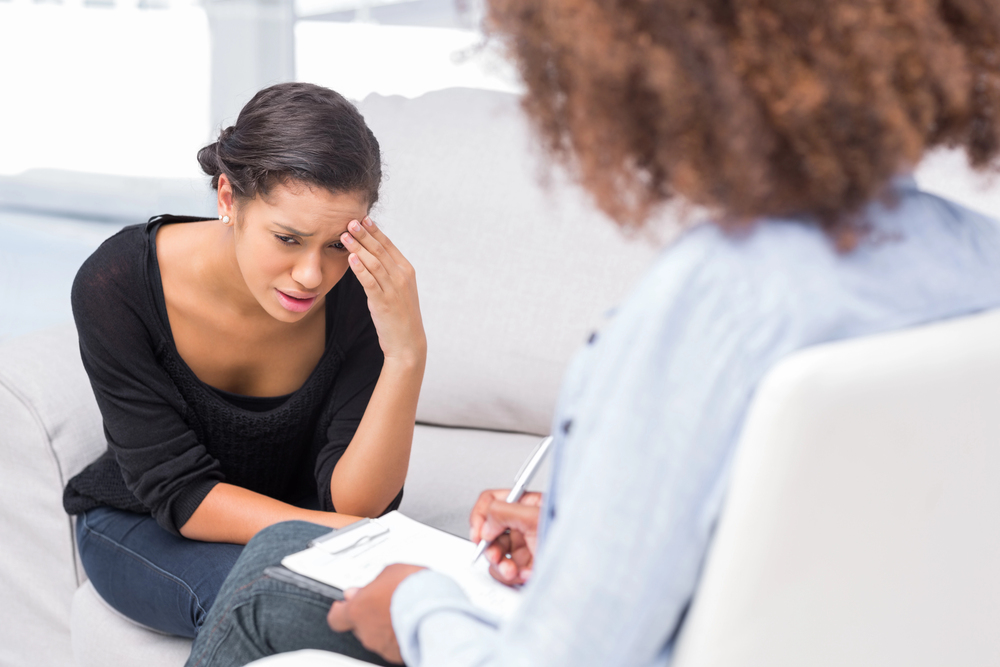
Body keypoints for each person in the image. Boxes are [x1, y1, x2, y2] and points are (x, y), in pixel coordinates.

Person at [185, 1, 1000, 665]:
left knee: (267, 579)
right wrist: (591, 523)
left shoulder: (711, 303)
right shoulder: (977, 260)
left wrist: (416, 605)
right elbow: (834, 523)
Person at [62, 82, 426, 640]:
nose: (312, 275)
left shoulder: (357, 292)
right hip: (147, 524)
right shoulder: (118, 285)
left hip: (305, 521)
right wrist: (346, 536)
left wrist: (406, 354)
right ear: (228, 199)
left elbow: (355, 502)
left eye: (337, 244)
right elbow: (180, 494)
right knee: (271, 603)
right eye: (287, 238)